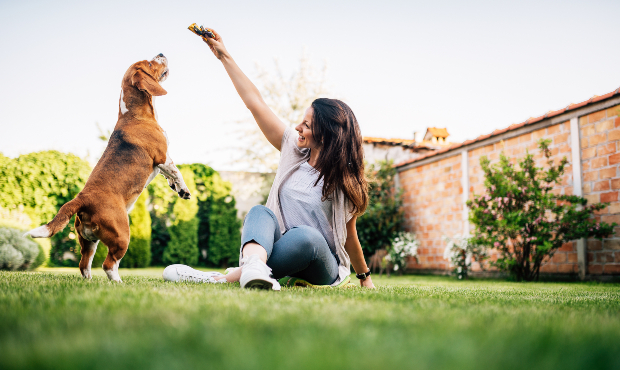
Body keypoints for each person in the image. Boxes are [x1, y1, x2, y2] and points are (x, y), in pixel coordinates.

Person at [167, 28, 374, 290]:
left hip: (320, 264)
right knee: (260, 212)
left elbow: (349, 237)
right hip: (280, 252)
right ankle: (254, 269)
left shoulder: (342, 181)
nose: (298, 127)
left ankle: (223, 277)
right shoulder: (293, 151)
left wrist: (364, 277)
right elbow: (256, 103)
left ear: (326, 135)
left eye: (307, 125)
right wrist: (224, 56)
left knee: (307, 237)